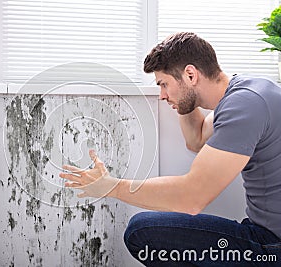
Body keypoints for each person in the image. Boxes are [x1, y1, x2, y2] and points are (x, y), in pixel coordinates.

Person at [59, 32, 281, 266]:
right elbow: (196, 140)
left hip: (270, 245)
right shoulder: (246, 93)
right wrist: (183, 98)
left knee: (141, 231)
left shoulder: (245, 105)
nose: (162, 95)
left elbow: (192, 198)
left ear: (191, 74)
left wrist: (111, 187)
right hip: (267, 236)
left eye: (164, 84)